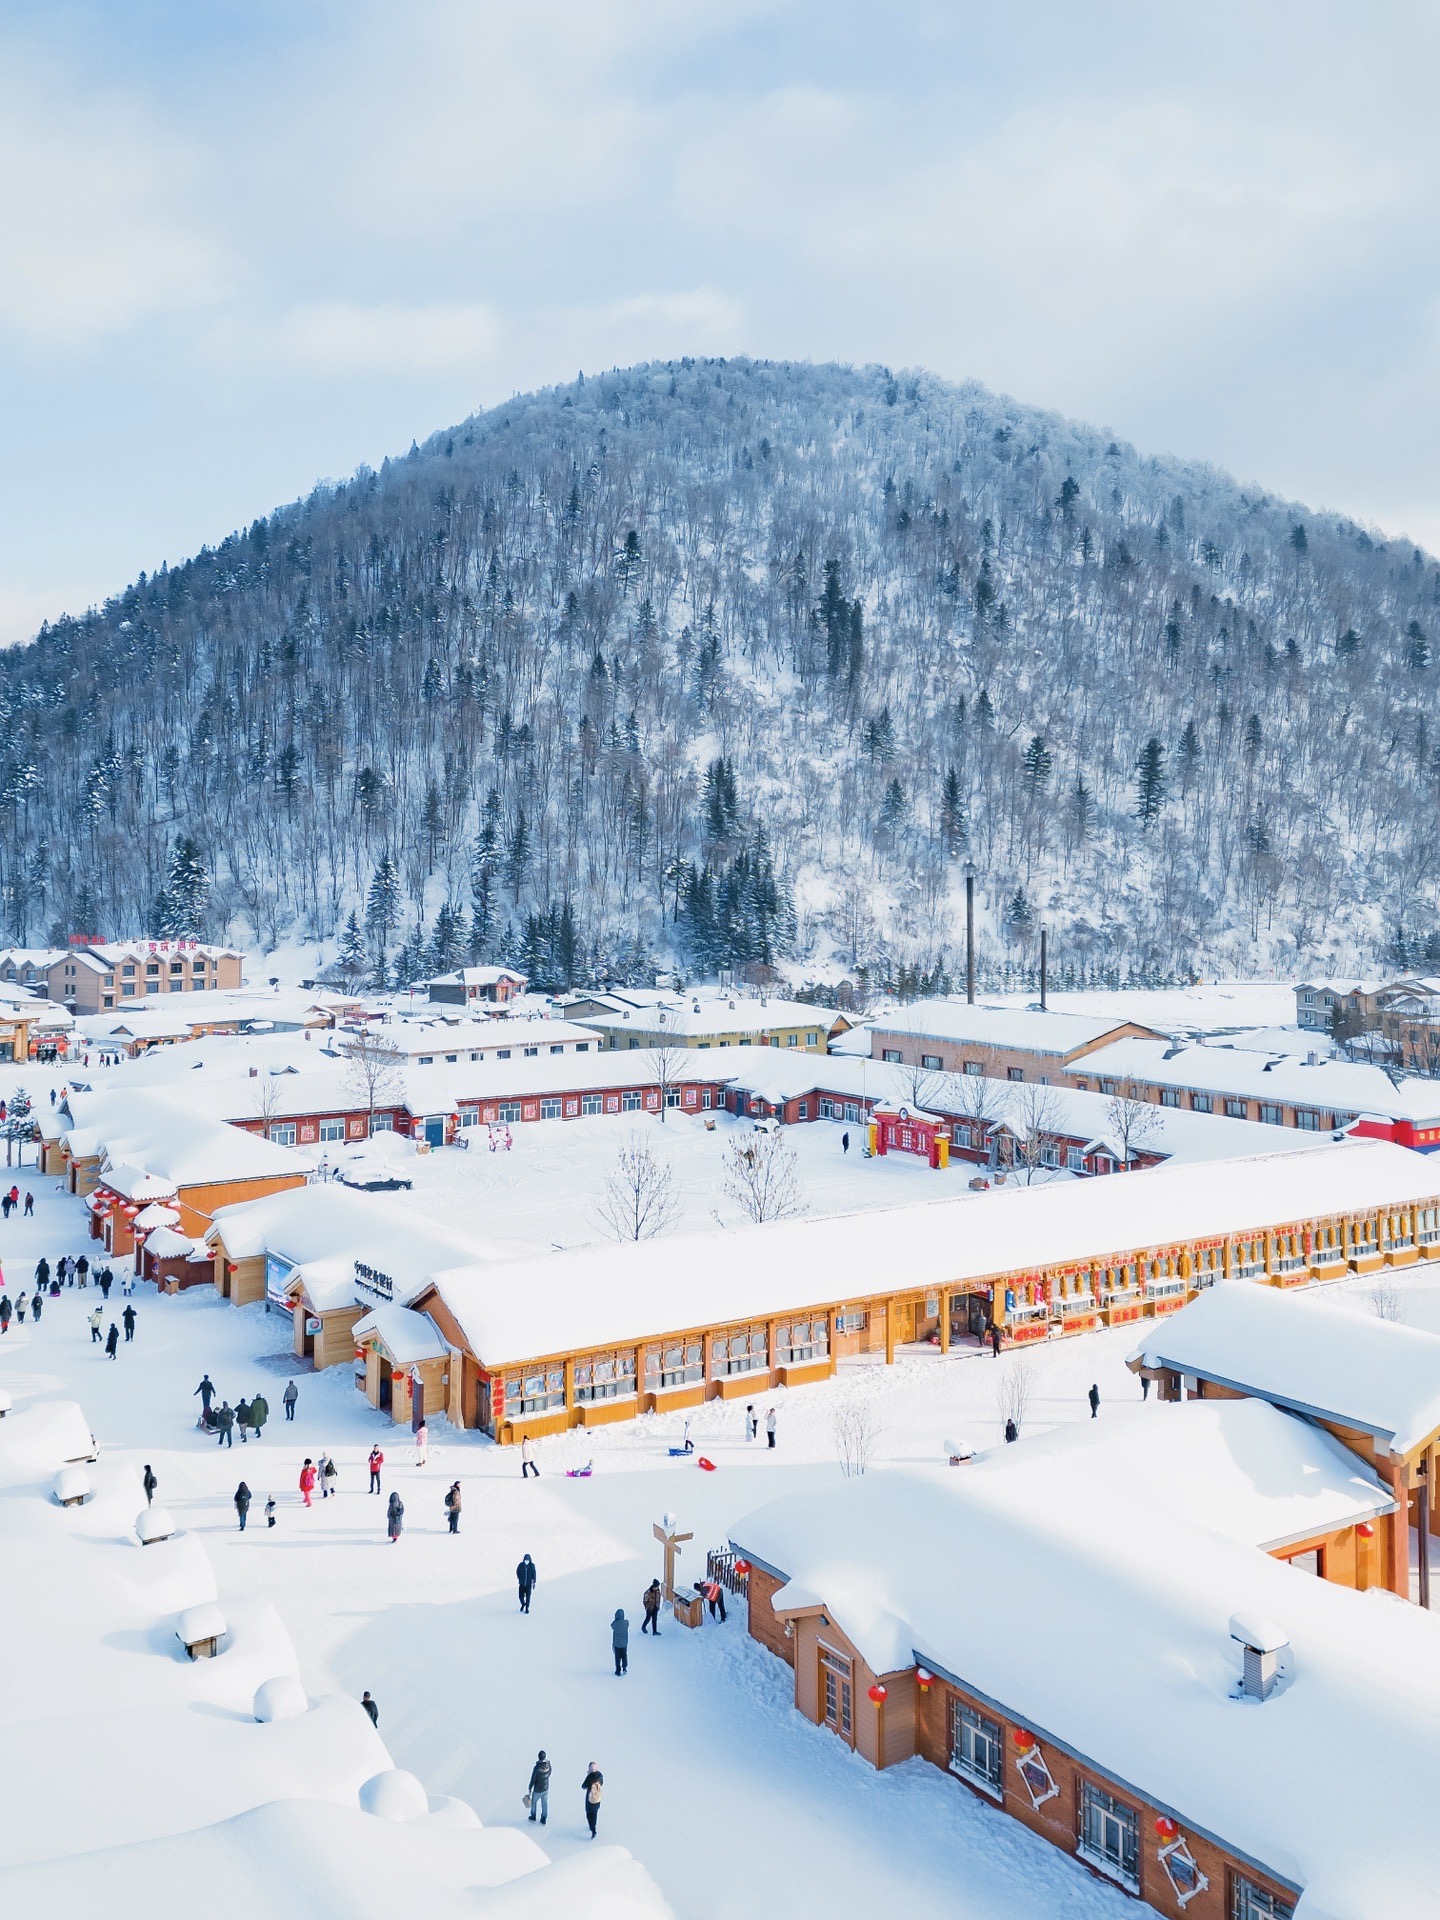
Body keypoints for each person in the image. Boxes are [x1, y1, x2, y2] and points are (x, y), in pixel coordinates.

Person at [527, 1750, 551, 1825]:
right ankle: (544, 1818)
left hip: (538, 1789)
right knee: (544, 1803)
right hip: (546, 1788)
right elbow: (550, 1773)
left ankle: (533, 1816)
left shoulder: (537, 1768)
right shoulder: (548, 1765)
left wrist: (530, 1787)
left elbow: (533, 1779)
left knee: (533, 1802)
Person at [581, 1762, 604, 1839]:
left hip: (590, 1800)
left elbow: (583, 1786)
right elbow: (602, 1783)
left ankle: (593, 1829)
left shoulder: (590, 1777)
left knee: (589, 1815)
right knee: (595, 1813)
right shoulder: (600, 1775)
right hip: (598, 1799)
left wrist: (588, 1776)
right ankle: (594, 1824)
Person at [611, 1608, 629, 1676]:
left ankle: (618, 1670)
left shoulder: (615, 1624)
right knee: (624, 1656)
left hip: (617, 1644)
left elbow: (612, 1625)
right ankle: (624, 1668)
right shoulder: (626, 1623)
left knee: (617, 1657)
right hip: (624, 1644)